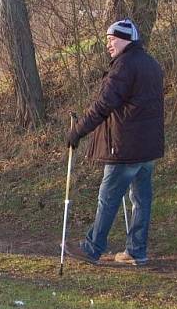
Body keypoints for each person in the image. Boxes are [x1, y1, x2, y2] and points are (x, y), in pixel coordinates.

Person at [64, 19, 164, 266]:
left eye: (112, 40)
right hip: (147, 148)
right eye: (107, 40)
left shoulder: (124, 66)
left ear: (127, 40)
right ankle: (136, 251)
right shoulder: (151, 64)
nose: (108, 45)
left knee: (107, 199)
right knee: (141, 200)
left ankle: (92, 248)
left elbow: (103, 104)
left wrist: (78, 131)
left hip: (125, 147)